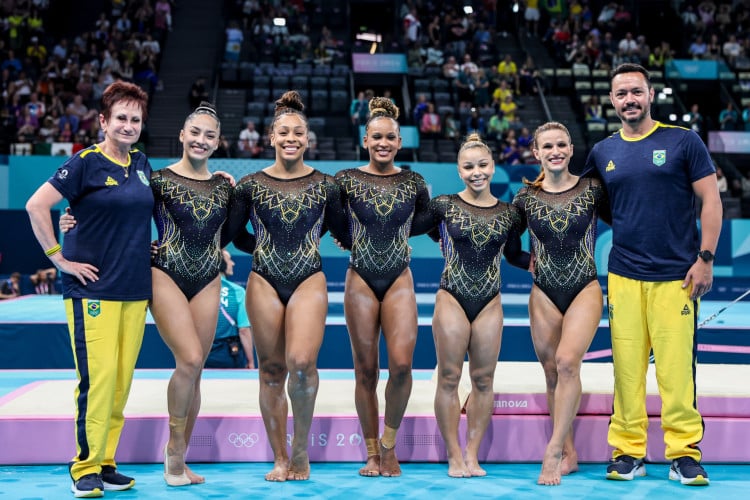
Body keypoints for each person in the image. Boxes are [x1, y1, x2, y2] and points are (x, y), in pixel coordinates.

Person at [59, 102, 235, 488]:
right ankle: (170, 456)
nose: (201, 140)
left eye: (209, 135)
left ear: (218, 142)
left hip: (207, 276)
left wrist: (220, 248)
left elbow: (227, 230)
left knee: (197, 371)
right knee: (188, 359)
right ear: (182, 136)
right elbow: (117, 210)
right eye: (195, 133)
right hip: (165, 272)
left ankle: (181, 458)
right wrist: (69, 221)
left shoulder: (225, 185)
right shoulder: (154, 178)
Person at [584, 63, 721, 486]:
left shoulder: (683, 141)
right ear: (612, 100)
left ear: (650, 94)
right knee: (626, 368)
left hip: (676, 277)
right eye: (622, 93)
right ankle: (628, 451)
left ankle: (683, 452)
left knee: (677, 370)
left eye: (636, 92)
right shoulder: (602, 152)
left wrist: (706, 257)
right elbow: (590, 205)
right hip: (624, 276)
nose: (630, 100)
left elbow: (711, 200)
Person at [25, 81, 152, 498]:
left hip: (135, 290)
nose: (128, 125)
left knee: (120, 382)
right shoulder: (84, 163)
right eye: (121, 118)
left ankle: (107, 460)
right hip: (92, 290)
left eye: (135, 119)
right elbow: (36, 205)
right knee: (95, 380)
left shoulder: (143, 164)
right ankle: (85, 465)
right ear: (103, 121)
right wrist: (59, 257)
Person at [224, 90, 345, 482]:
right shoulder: (250, 185)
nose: (291, 138)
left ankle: (300, 448)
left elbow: (342, 229)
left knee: (302, 364)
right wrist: (262, 247)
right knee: (272, 370)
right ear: (271, 138)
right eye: (284, 132)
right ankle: (279, 456)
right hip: (263, 279)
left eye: (298, 133)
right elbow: (232, 233)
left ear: (307, 139)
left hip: (308, 277)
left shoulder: (326, 186)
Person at [334, 97, 431, 478]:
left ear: (399, 141)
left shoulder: (413, 182)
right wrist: (348, 239)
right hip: (360, 276)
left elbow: (424, 222)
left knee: (403, 366)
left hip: (398, 277)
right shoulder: (345, 180)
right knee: (366, 372)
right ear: (365, 139)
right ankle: (372, 452)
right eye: (376, 137)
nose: (383, 143)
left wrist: (398, 235)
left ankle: (390, 445)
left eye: (390, 137)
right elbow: (327, 220)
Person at [512, 122, 610, 485]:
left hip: (584, 286)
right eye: (547, 146)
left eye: (561, 144)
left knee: (569, 362)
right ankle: (570, 452)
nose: (555, 151)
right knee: (552, 372)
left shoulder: (592, 190)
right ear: (535, 152)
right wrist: (527, 262)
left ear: (571, 149)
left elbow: (627, 221)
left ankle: (552, 451)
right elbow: (509, 246)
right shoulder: (525, 198)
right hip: (544, 292)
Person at [425, 133, 528, 478]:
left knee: (483, 379)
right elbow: (406, 228)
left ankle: (472, 453)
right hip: (452, 295)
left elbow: (514, 255)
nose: (476, 172)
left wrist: (545, 262)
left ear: (493, 167)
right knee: (450, 376)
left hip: (489, 300)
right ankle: (454, 455)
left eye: (482, 165)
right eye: (469, 167)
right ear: (459, 170)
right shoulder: (443, 206)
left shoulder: (510, 213)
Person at [205, 249, 255, 369]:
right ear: (220, 263)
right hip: (228, 354)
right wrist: (251, 361)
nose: (233, 263)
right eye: (229, 260)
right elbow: (243, 330)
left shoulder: (200, 290)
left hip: (202, 354)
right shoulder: (237, 291)